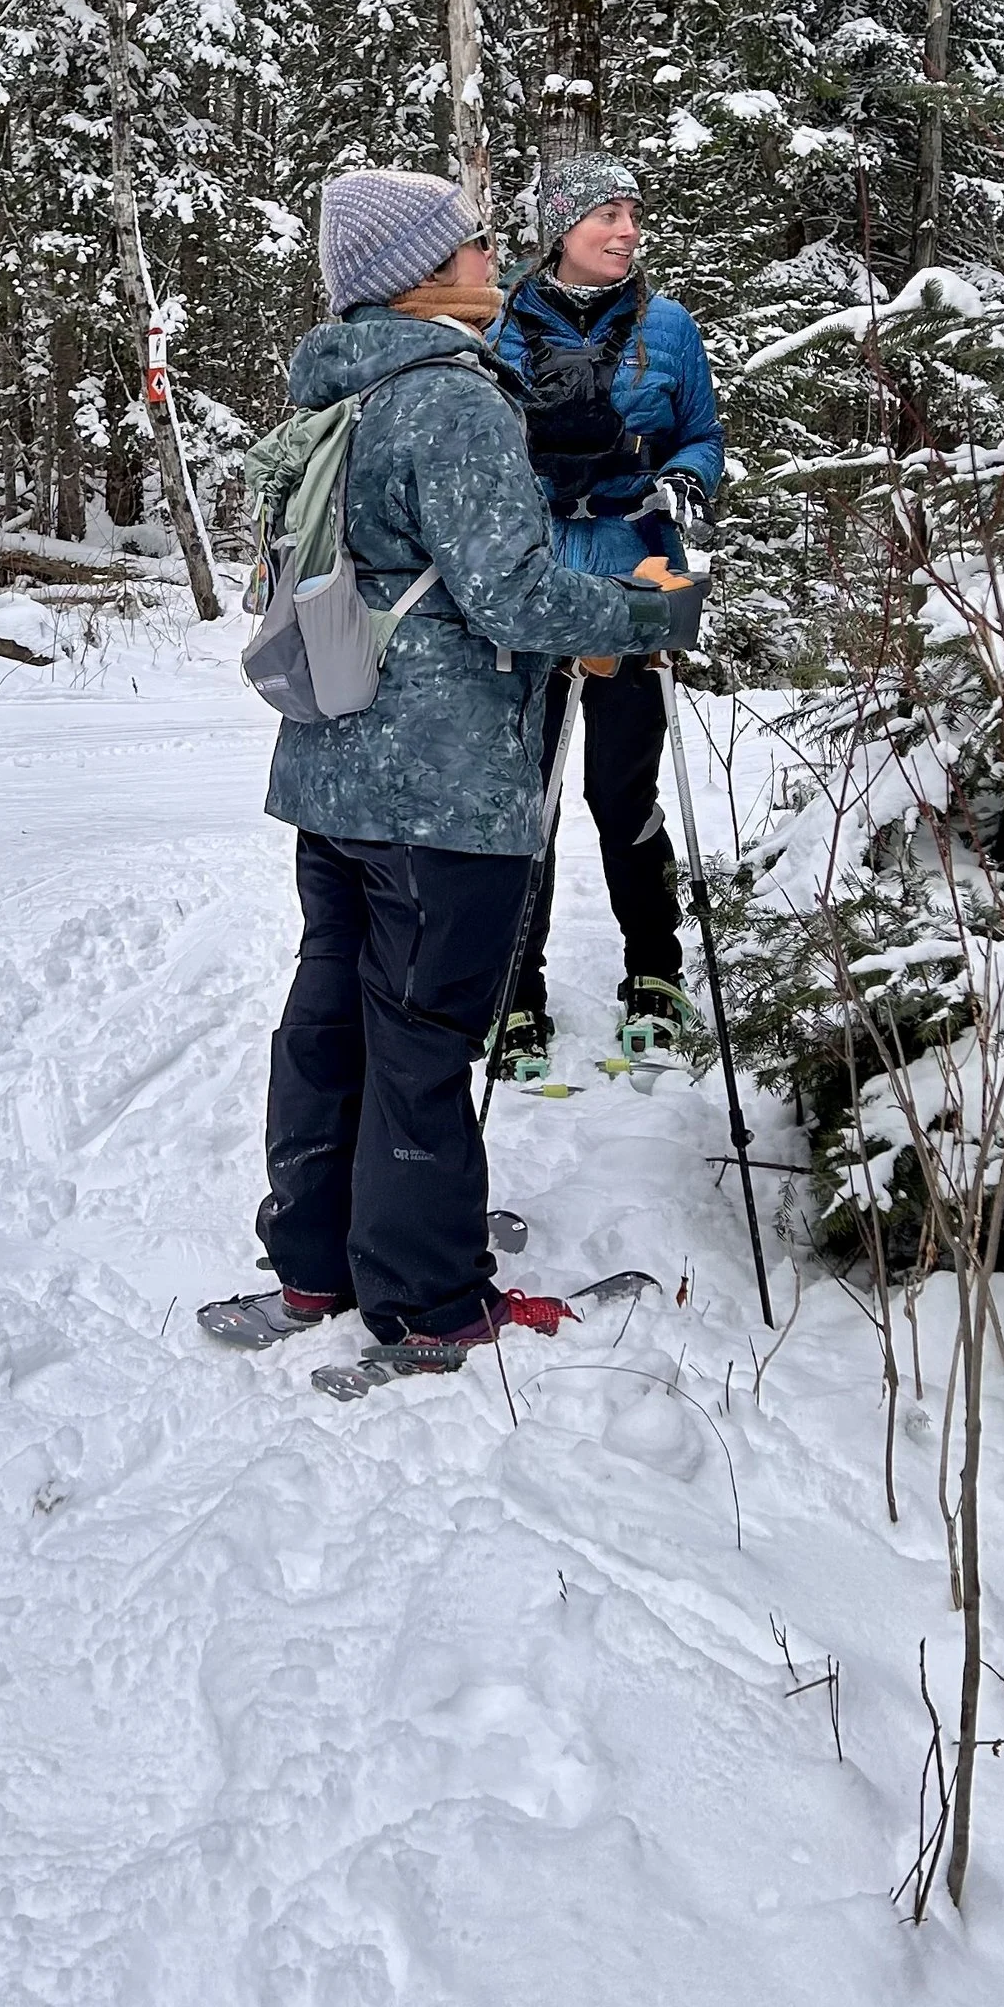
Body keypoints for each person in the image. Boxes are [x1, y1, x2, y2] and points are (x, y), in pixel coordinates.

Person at [202, 168, 702, 1374]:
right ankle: (428, 1297)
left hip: (333, 760)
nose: (489, 256)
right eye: (471, 242)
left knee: (332, 1018)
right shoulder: (449, 396)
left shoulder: (341, 386)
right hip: (442, 777)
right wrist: (652, 614)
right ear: (420, 273)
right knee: (422, 1033)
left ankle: (320, 1259)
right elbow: (513, 595)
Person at [484, 153, 725, 1077]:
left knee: (622, 790)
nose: (627, 230)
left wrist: (686, 478)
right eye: (607, 213)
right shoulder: (499, 325)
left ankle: (654, 970)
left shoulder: (668, 326)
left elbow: (701, 433)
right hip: (532, 578)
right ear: (562, 226)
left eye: (633, 212)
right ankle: (514, 987)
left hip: (636, 569)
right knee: (526, 794)